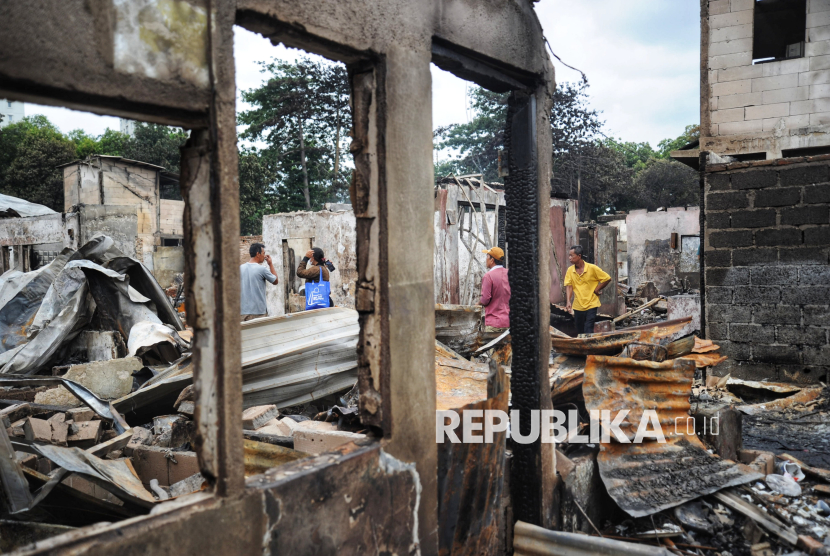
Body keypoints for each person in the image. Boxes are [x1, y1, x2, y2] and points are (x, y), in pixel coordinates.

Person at [564, 245, 611, 335]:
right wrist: (568, 301)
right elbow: (569, 286)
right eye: (569, 255)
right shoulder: (570, 270)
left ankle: (588, 347)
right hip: (578, 305)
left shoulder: (592, 268)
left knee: (588, 328)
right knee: (580, 329)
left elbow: (607, 278)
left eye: (571, 255)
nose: (569, 258)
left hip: (591, 304)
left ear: (579, 256)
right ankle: (583, 347)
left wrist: (597, 289)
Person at [240, 242, 278, 321]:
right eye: (263, 253)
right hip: (258, 312)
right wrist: (270, 264)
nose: (264, 256)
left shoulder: (240, 268)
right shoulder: (262, 269)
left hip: (242, 312)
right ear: (258, 254)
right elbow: (275, 281)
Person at [479, 246, 510, 332]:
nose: (486, 259)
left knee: (492, 345)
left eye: (487, 257)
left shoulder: (488, 276)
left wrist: (478, 303)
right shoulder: (510, 274)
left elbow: (485, 300)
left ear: (492, 260)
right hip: (509, 322)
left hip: (494, 324)